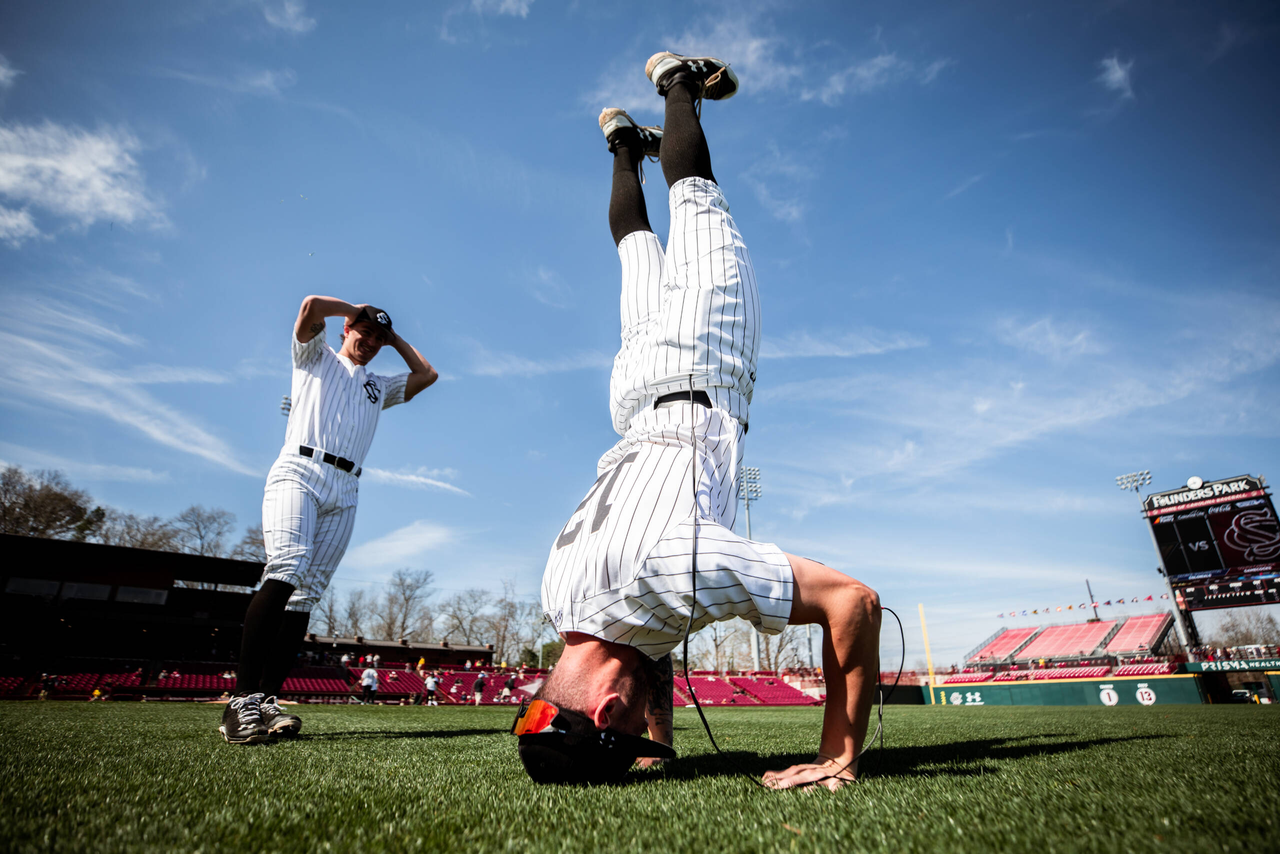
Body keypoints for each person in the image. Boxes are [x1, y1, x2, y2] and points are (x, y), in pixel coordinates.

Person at [515, 52, 881, 790]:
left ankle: (678, 81)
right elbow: (643, 637)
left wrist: (838, 758)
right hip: (632, 396)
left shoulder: (664, 577)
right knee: (637, 251)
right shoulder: (558, 600)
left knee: (697, 202)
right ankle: (623, 144)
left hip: (701, 374)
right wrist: (655, 735)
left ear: (610, 705)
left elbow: (855, 603)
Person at [219, 297, 438, 745]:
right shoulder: (315, 355)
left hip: (347, 486)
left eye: (378, 338)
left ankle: (266, 700)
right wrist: (352, 309)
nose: (371, 342)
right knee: (287, 565)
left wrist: (392, 336)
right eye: (364, 332)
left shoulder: (377, 385)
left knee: (308, 594)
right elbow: (309, 306)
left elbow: (427, 375)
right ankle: (239, 701)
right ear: (345, 328)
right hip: (300, 470)